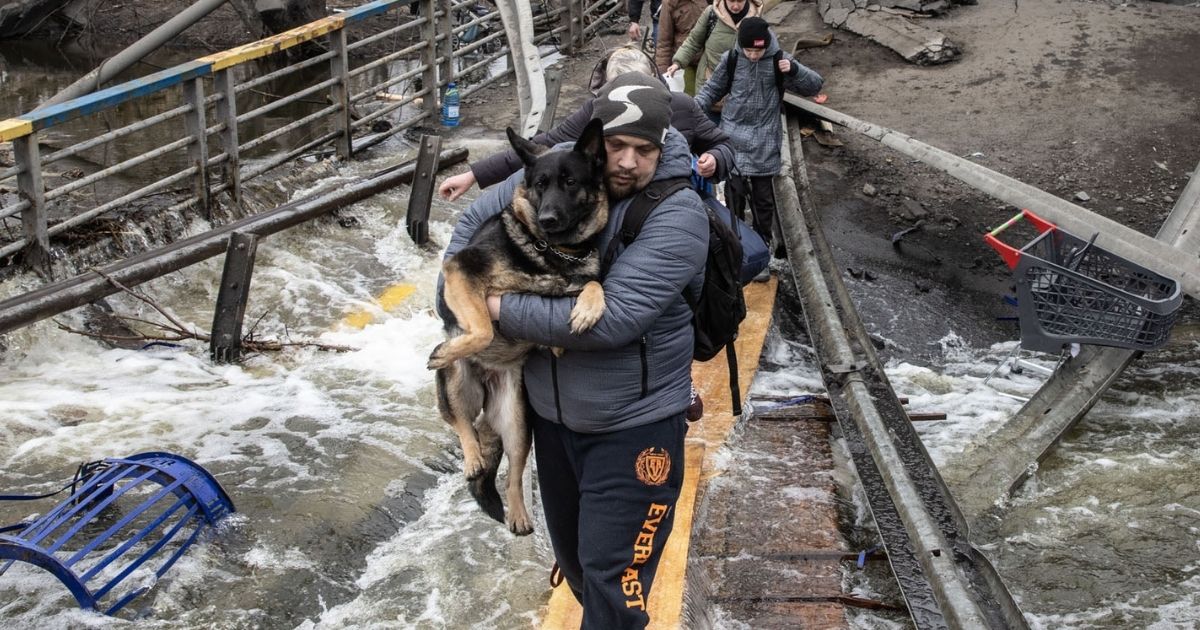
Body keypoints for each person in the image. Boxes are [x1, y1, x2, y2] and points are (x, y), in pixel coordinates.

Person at [437, 73, 709, 629]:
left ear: (662, 146)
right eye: (617, 146)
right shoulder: (565, 169)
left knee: (616, 587)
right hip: (554, 423)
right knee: (579, 568)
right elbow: (471, 224)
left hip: (633, 428)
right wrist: (457, 289)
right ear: (596, 142)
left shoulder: (678, 214)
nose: (629, 162)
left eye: (644, 149)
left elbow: (614, 322)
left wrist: (488, 310)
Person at [438, 45, 734, 202]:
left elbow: (724, 143)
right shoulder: (598, 110)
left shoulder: (681, 106)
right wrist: (474, 175)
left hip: (675, 202)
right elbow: (545, 145)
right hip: (615, 203)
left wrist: (715, 159)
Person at [694, 17, 823, 275]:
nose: (753, 55)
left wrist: (794, 70)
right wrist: (689, 111)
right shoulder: (731, 60)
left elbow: (815, 85)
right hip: (733, 139)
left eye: (758, 50)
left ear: (766, 45)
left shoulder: (778, 61)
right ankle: (736, 247)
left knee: (763, 202)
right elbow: (711, 91)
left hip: (765, 139)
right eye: (749, 50)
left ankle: (762, 248)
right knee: (734, 198)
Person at [665, 0, 762, 124]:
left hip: (740, 91)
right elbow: (694, 41)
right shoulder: (711, 13)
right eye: (731, 1)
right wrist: (677, 63)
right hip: (709, 83)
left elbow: (764, 49)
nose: (736, 6)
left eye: (740, 1)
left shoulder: (756, 16)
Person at [654, 0, 706, 95]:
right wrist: (662, 72)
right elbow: (664, 42)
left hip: (706, 60)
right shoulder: (670, 3)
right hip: (683, 63)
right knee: (688, 99)